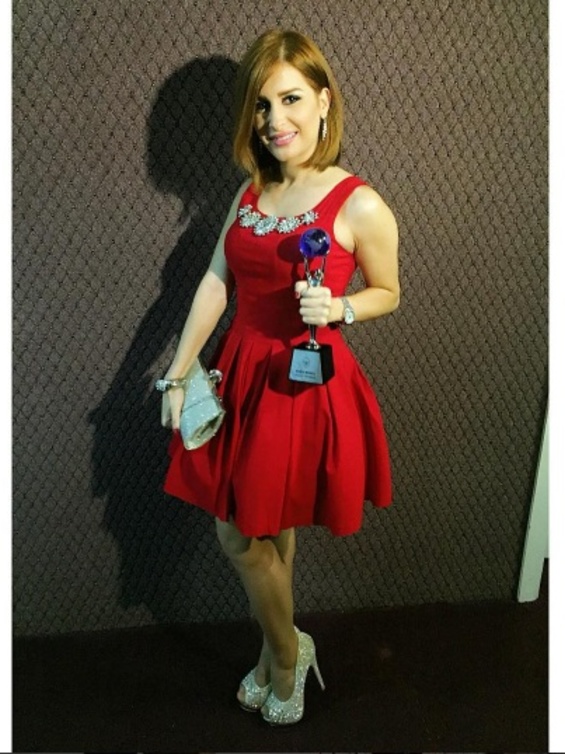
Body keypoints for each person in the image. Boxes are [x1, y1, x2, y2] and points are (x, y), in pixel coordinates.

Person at [158, 29, 400, 726]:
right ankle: (285, 646)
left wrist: (341, 308)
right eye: (262, 105)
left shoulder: (358, 202)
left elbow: (389, 291)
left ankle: (285, 658)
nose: (274, 120)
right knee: (262, 527)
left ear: (323, 101)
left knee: (241, 535)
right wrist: (177, 373)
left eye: (290, 99)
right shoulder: (252, 189)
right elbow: (216, 281)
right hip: (243, 371)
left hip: (303, 385)